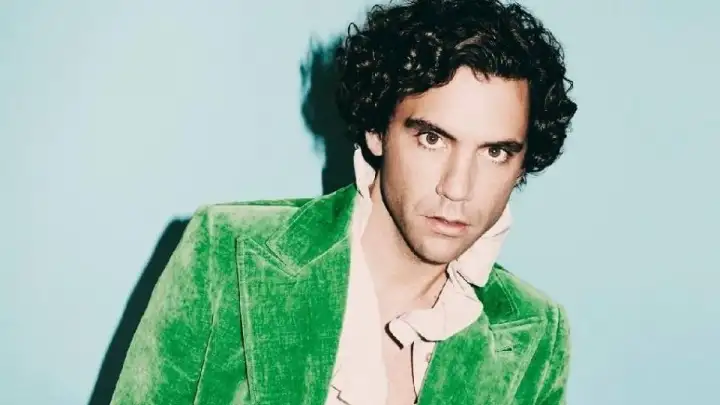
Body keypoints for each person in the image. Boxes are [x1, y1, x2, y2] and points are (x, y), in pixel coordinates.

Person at [109, 0, 578, 404]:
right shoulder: (226, 249)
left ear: (522, 164)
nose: (457, 188)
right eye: (432, 139)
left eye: (495, 152)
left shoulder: (535, 331)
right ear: (376, 131)